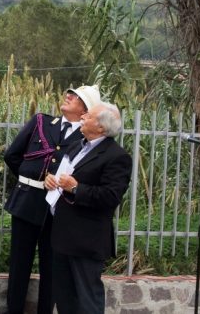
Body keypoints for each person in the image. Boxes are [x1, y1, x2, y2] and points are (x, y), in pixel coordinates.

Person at [3, 85, 101, 314]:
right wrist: (32, 178)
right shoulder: (41, 122)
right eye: (69, 93)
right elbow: (12, 155)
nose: (68, 96)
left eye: (75, 96)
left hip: (60, 212)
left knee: (52, 269)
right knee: (18, 266)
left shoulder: (88, 136)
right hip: (26, 203)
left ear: (85, 109)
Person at [44, 102, 132, 314]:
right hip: (62, 235)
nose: (82, 116)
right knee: (65, 297)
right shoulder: (76, 146)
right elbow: (62, 174)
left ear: (101, 127)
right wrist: (51, 180)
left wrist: (76, 188)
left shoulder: (116, 157)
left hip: (86, 239)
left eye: (88, 115)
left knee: (87, 299)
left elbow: (110, 197)